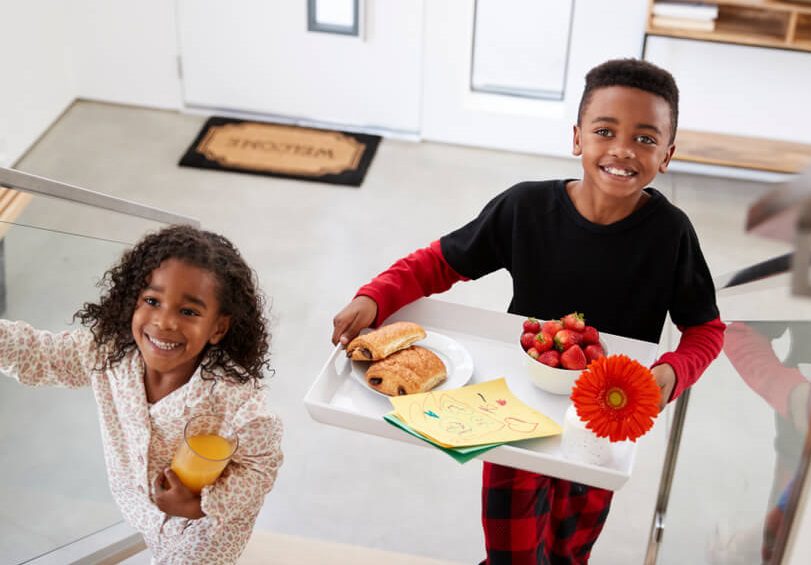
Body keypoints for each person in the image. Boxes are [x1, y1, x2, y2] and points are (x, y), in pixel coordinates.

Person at [332, 58, 726, 563]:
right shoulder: (525, 208)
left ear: (667, 155)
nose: (623, 150)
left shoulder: (671, 234)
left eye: (645, 139)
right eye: (605, 131)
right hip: (510, 412)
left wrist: (671, 373)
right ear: (577, 138)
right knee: (512, 554)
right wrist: (375, 296)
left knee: (569, 554)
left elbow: (705, 329)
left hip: (603, 423)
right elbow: (438, 263)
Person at [0, 225, 283, 564]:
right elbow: (40, 354)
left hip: (205, 533)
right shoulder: (108, 354)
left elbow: (260, 467)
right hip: (144, 515)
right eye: (152, 301)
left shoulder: (235, 399)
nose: (164, 322)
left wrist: (199, 506)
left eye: (188, 311)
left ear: (218, 328)